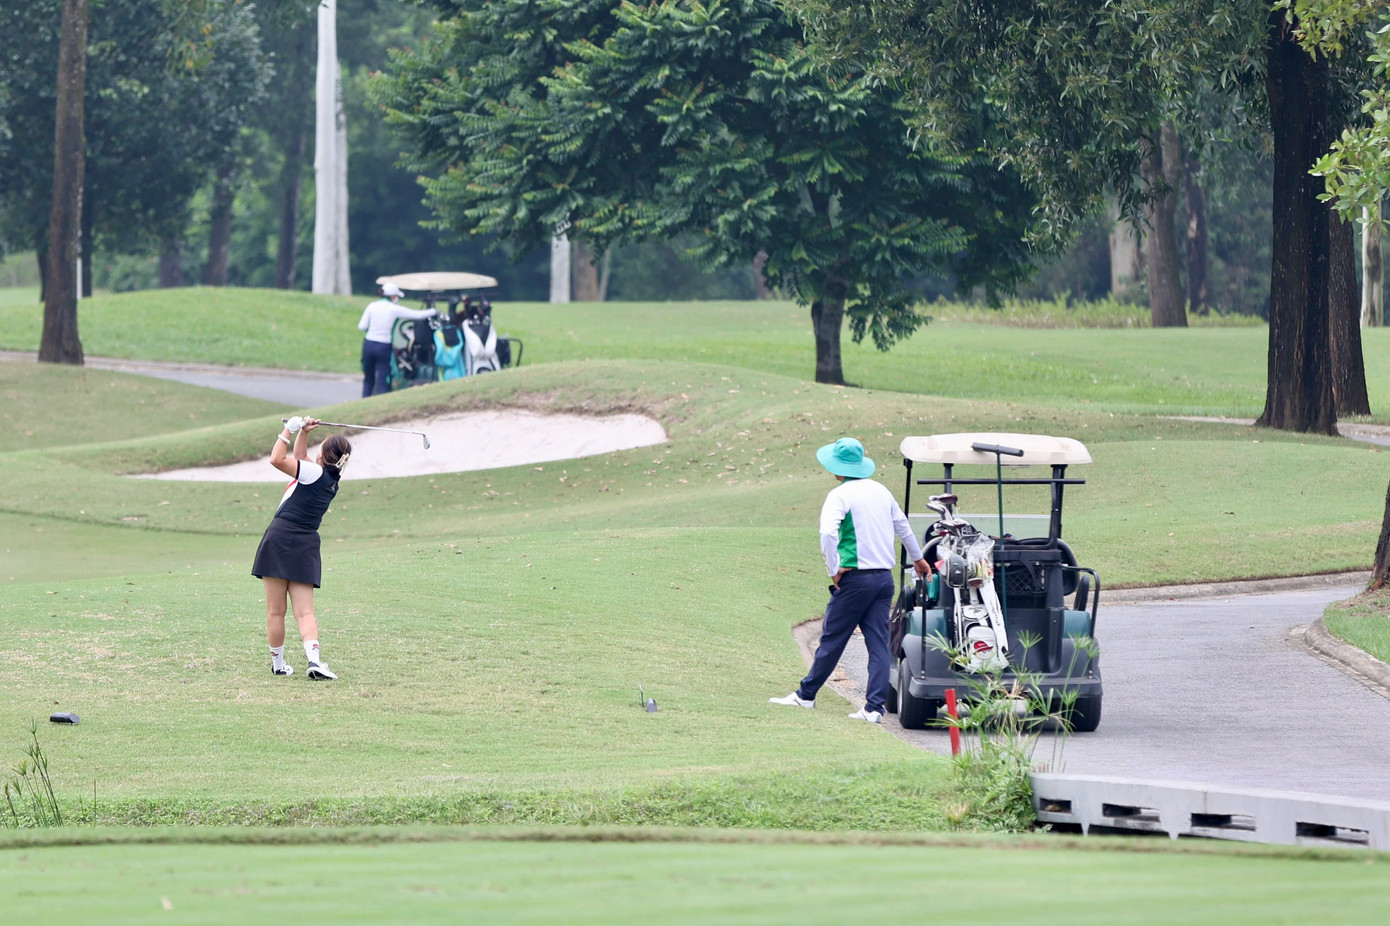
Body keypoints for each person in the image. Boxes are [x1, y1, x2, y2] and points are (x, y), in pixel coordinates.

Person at [770, 437, 930, 723]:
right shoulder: (881, 491)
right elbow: (903, 527)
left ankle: (806, 696)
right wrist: (918, 559)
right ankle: (873, 709)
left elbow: (828, 534)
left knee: (833, 638)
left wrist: (834, 568)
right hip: (883, 580)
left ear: (838, 467)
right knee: (878, 644)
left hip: (855, 579)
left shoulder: (839, 495)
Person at [251, 415, 351, 680]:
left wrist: (288, 429)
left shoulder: (312, 472)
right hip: (305, 543)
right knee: (304, 611)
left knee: (275, 610)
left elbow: (276, 459)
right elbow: (300, 455)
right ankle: (314, 661)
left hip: (280, 537)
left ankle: (279, 665)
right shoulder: (330, 480)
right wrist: (305, 432)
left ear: (323, 455)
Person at [357, 282, 437, 397]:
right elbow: (416, 315)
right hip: (383, 346)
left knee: (368, 378)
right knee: (383, 378)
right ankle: (381, 403)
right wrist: (433, 311)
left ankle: (364, 402)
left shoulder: (372, 306)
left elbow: (362, 326)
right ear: (393, 296)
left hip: (369, 344)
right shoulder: (394, 309)